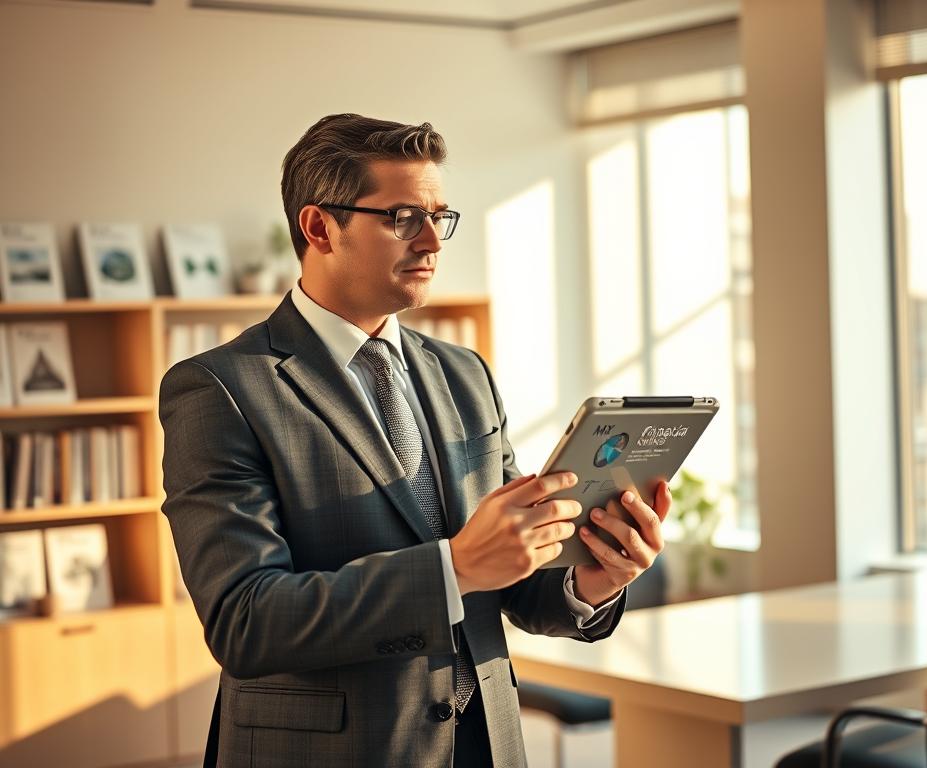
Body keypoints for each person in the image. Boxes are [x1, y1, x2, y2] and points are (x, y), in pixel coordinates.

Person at [159, 113, 671, 768]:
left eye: (440, 217)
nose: (432, 240)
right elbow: (246, 620)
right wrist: (452, 567)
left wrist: (592, 579)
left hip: (486, 745)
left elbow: (513, 589)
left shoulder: (466, 373)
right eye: (403, 217)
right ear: (320, 228)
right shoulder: (220, 389)